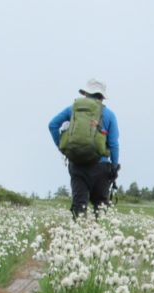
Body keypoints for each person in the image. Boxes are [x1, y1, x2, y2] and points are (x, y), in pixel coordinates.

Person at [48, 78, 120, 218]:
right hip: (101, 165)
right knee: (100, 207)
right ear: (102, 97)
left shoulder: (72, 109)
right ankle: (99, 230)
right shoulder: (109, 114)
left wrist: (62, 147)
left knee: (79, 206)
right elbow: (113, 144)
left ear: (85, 93)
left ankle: (78, 228)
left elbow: (52, 125)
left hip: (77, 164)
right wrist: (114, 166)